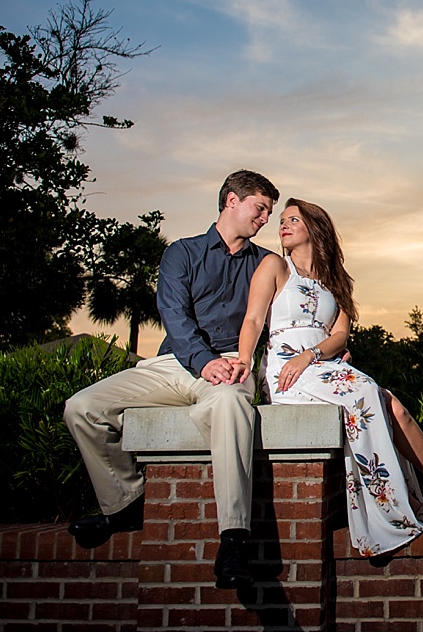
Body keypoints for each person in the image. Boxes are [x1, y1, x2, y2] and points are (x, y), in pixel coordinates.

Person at [64, 169, 280, 589]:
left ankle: (233, 539)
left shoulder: (267, 264)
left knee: (233, 404)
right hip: (175, 362)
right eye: (260, 208)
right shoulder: (182, 252)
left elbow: (295, 314)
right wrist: (202, 361)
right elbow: (175, 316)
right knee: (82, 407)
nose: (265, 219)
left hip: (230, 366)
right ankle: (125, 503)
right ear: (231, 201)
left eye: (270, 212)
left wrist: (324, 347)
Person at [237, 198, 423, 558]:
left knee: (394, 408)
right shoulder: (274, 266)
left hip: (320, 364)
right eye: (282, 221)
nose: (283, 226)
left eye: (293, 219)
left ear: (314, 229)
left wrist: (313, 354)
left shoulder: (335, 281)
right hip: (286, 370)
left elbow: (339, 336)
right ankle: (396, 505)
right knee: (366, 391)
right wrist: (245, 360)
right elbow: (254, 320)